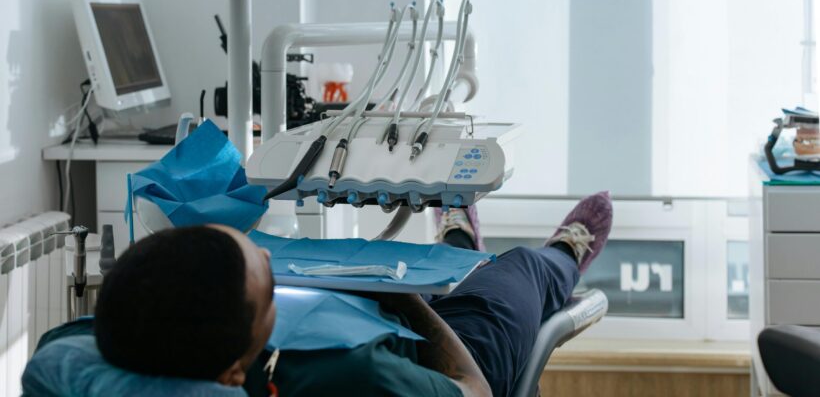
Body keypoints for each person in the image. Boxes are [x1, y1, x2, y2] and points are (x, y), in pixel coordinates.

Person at [28, 192, 613, 397]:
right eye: (267, 289)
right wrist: (402, 298)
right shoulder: (346, 377)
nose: (266, 257)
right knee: (514, 276)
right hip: (432, 351)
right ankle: (563, 254)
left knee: (469, 266)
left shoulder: (80, 344)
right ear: (237, 370)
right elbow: (474, 392)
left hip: (366, 321)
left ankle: (458, 237)